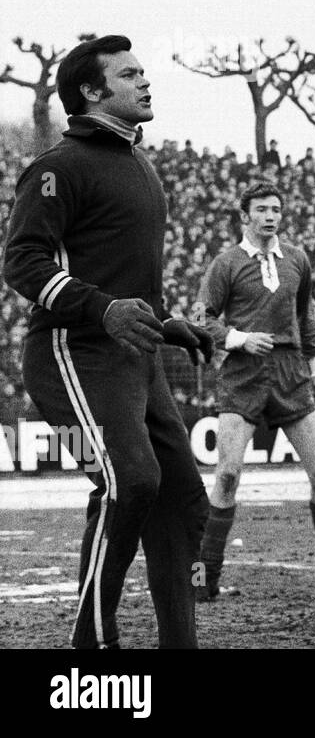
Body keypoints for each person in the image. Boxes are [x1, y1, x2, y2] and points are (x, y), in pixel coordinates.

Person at [2, 34, 214, 648]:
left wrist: (164, 320)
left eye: (143, 71)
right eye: (129, 74)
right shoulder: (56, 167)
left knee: (180, 495)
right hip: (73, 353)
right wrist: (104, 309)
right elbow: (22, 263)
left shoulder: (139, 163)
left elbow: (126, 276)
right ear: (92, 93)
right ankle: (92, 642)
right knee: (130, 480)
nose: (146, 81)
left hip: (133, 357)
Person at [194, 181, 315, 601]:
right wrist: (237, 338)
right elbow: (201, 317)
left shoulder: (296, 259)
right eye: (261, 209)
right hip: (243, 373)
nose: (271, 216)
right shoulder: (226, 263)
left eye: (276, 208)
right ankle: (204, 578)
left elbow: (305, 314)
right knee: (227, 475)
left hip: (291, 370)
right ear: (245, 216)